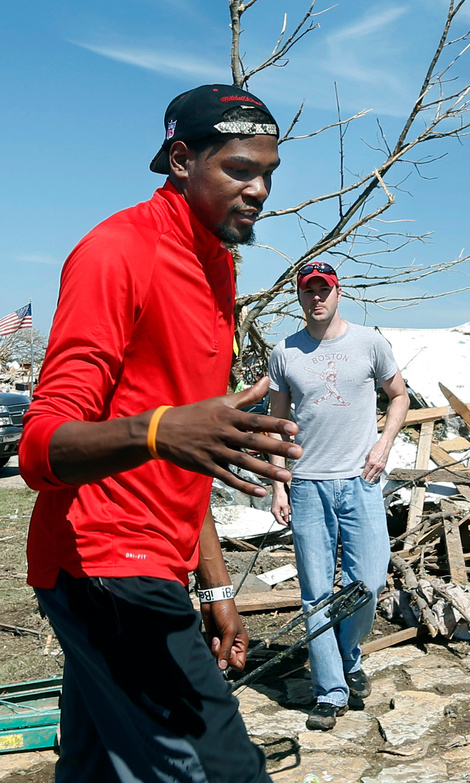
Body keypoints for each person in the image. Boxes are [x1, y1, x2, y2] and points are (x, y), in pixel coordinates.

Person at [20, 84, 302, 782]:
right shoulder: (116, 253)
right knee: (225, 771)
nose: (260, 188)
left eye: (268, 171)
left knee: (93, 767)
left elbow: (189, 446)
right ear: (182, 159)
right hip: (104, 566)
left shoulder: (218, 268)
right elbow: (40, 447)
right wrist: (154, 431)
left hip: (155, 562)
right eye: (240, 169)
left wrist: (213, 584)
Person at [268, 260, 409, 731]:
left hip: (362, 481)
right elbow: (278, 424)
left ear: (338, 291)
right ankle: (329, 690)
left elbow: (400, 396)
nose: (317, 298)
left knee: (366, 582)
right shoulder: (285, 352)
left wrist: (383, 444)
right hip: (307, 485)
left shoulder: (370, 343)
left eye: (324, 289)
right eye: (308, 291)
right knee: (316, 595)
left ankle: (348, 656)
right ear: (299, 296)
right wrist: (278, 485)